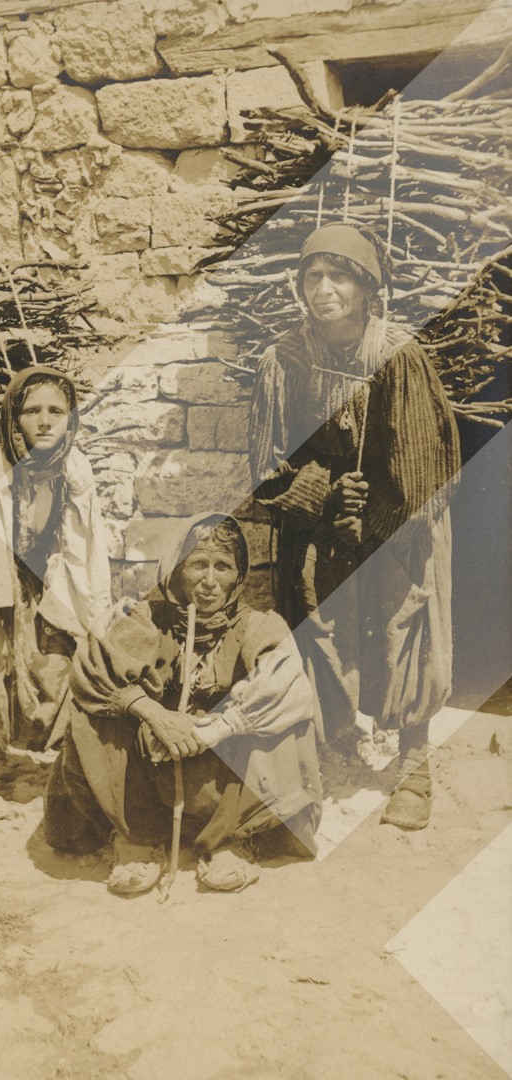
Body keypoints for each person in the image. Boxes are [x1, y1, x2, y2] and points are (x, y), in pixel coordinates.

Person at [249, 222, 461, 831]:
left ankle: (414, 762)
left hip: (402, 517)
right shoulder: (283, 361)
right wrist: (321, 494)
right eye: (312, 276)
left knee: (406, 626)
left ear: (367, 287)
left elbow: (426, 469)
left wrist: (371, 512)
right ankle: (336, 744)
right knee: (322, 625)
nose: (324, 289)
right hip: (319, 521)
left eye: (339, 276)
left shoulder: (398, 356)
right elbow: (266, 469)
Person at [44, 512, 322, 895]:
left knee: (283, 712)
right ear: (176, 569)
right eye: (198, 564)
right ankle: (138, 836)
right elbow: (95, 670)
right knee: (94, 706)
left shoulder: (258, 626)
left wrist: (215, 729)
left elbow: (285, 685)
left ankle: (231, 839)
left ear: (239, 575)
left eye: (223, 566)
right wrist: (153, 713)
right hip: (152, 768)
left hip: (221, 776)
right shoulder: (146, 617)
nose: (209, 581)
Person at [0, 365, 112, 824]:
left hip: (39, 582)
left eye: (56, 411)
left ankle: (53, 765)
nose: (44, 421)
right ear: (14, 418)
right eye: (32, 410)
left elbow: (85, 542)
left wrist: (89, 614)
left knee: (56, 670)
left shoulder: (72, 467)